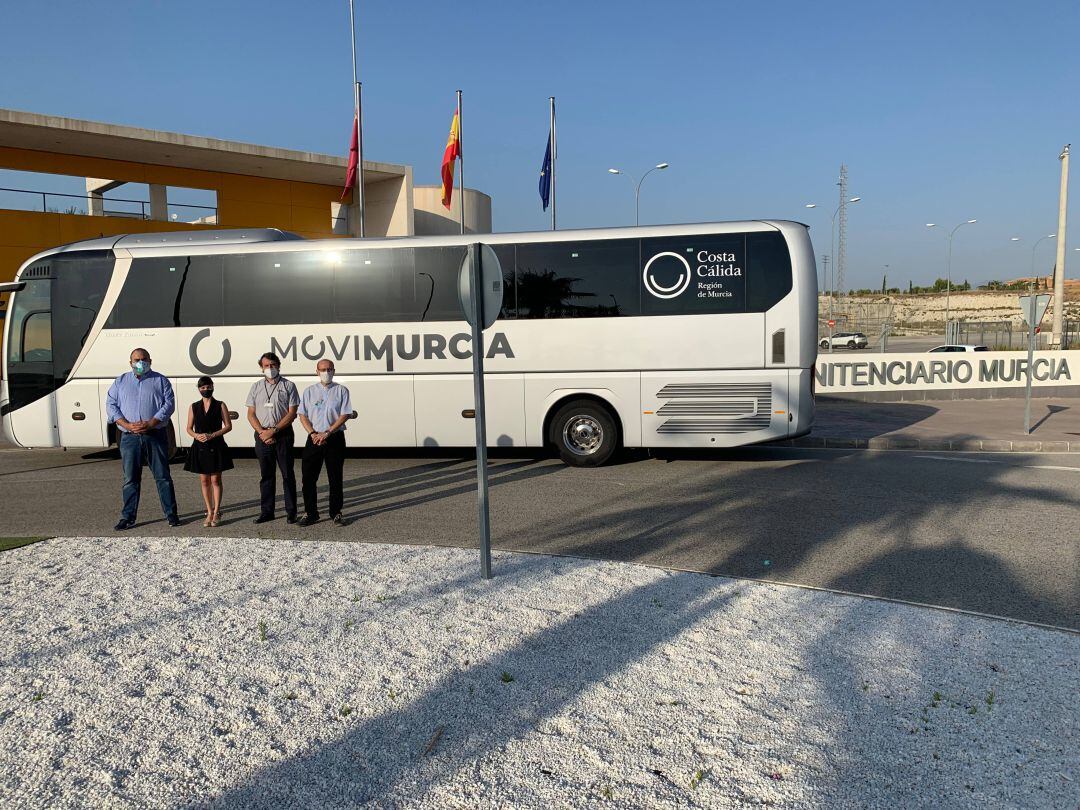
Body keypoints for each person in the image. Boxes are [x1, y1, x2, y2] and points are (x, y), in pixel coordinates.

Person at [105, 347, 181, 530]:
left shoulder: (161, 380)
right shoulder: (120, 382)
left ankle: (171, 515)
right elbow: (111, 404)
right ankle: (127, 517)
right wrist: (127, 424)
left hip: (155, 434)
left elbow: (169, 404)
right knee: (130, 479)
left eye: (144, 359)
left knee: (163, 477)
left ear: (150, 361)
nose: (140, 362)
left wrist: (151, 423)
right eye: (136, 359)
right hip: (129, 437)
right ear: (130, 362)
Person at [245, 352, 299, 524]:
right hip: (262, 435)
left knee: (287, 474)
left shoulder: (289, 386)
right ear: (261, 368)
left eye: (273, 365)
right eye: (266, 365)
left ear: (279, 366)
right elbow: (251, 413)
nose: (270, 368)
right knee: (266, 475)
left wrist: (273, 430)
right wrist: (262, 432)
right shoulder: (255, 387)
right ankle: (267, 512)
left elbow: (292, 413)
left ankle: (291, 511)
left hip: (283, 435)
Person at [297, 358, 352, 526]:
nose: (326, 372)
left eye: (329, 369)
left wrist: (327, 432)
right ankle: (311, 513)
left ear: (334, 371)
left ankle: (336, 512)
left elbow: (345, 414)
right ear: (317, 372)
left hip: (334, 438)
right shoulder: (309, 391)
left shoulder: (342, 391)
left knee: (335, 477)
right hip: (313, 438)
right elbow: (302, 415)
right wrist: (313, 433)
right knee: (308, 478)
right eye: (323, 369)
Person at [184, 375, 234, 527]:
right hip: (200, 447)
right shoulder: (193, 406)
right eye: (203, 387)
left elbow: (228, 426)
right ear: (199, 389)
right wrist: (196, 436)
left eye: (209, 387)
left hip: (216, 445)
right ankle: (209, 511)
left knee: (215, 480)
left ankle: (217, 511)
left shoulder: (220, 405)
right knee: (204, 480)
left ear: (213, 386)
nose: (206, 390)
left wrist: (212, 435)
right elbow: (188, 428)